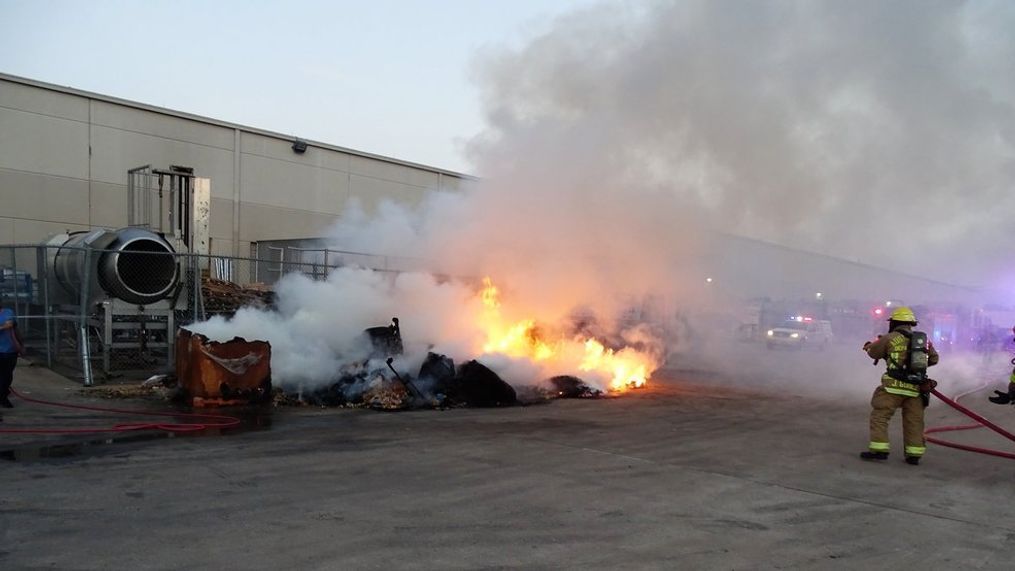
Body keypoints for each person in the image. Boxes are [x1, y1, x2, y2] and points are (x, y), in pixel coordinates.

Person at [860, 306, 939, 465]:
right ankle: (914, 455)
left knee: (880, 417)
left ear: (894, 322)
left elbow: (874, 353)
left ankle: (879, 450)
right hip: (915, 389)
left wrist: (870, 346)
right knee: (914, 422)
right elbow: (934, 359)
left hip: (892, 388)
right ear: (911, 323)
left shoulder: (889, 338)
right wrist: (913, 369)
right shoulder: (923, 340)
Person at [0, 301, 22, 410]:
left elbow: (10, 324)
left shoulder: (8, 312)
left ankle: (3, 395)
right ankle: (3, 397)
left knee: (7, 375)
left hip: (9, 350)